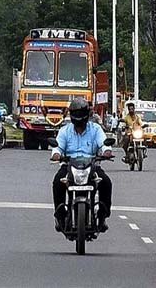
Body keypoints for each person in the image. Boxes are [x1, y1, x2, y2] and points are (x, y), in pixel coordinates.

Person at [51, 98, 113, 233]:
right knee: (57, 182)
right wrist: (56, 154)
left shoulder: (96, 129)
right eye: (76, 113)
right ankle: (60, 215)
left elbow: (103, 144)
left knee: (106, 182)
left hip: (92, 166)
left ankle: (103, 214)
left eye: (81, 113)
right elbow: (58, 147)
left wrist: (106, 151)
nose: (79, 118)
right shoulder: (64, 131)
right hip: (68, 166)